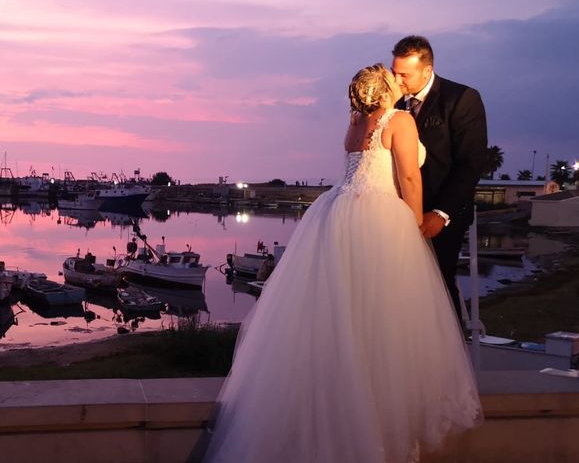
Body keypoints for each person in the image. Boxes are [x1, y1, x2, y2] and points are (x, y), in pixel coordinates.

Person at [203, 64, 482, 463]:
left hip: (337, 211)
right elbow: (410, 179)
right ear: (385, 88)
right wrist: (415, 226)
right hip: (379, 215)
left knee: (341, 310)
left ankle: (339, 404)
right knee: (384, 314)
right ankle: (379, 421)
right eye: (394, 77)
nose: (400, 81)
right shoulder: (399, 120)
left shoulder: (355, 122)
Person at [392, 36, 488, 325]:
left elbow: (471, 164)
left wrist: (441, 213)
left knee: (438, 283)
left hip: (441, 212)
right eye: (394, 72)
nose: (397, 80)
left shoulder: (461, 99)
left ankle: (450, 352)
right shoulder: (394, 102)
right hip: (399, 212)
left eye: (404, 75)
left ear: (427, 69)